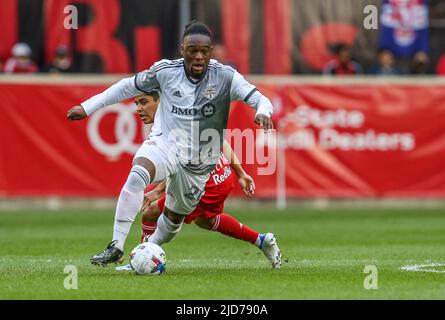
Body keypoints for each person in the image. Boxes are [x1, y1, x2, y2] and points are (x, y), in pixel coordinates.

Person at [66, 21, 280, 268]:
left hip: (199, 165)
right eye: (193, 50)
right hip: (166, 144)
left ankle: (146, 254)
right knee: (138, 174)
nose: (199, 56)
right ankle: (116, 246)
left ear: (210, 51)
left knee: (173, 220)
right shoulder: (165, 72)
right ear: (182, 49)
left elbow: (260, 98)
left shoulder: (226, 78)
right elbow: (126, 87)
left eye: (204, 51)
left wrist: (263, 111)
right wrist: (88, 107)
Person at [116, 92, 281, 270]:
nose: (139, 109)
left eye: (144, 102)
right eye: (136, 103)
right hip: (221, 177)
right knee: (206, 220)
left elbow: (181, 165)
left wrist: (159, 189)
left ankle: (140, 261)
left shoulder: (173, 124)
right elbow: (219, 140)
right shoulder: (185, 115)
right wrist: (240, 173)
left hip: (204, 184)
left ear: (160, 102)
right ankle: (262, 240)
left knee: (151, 212)